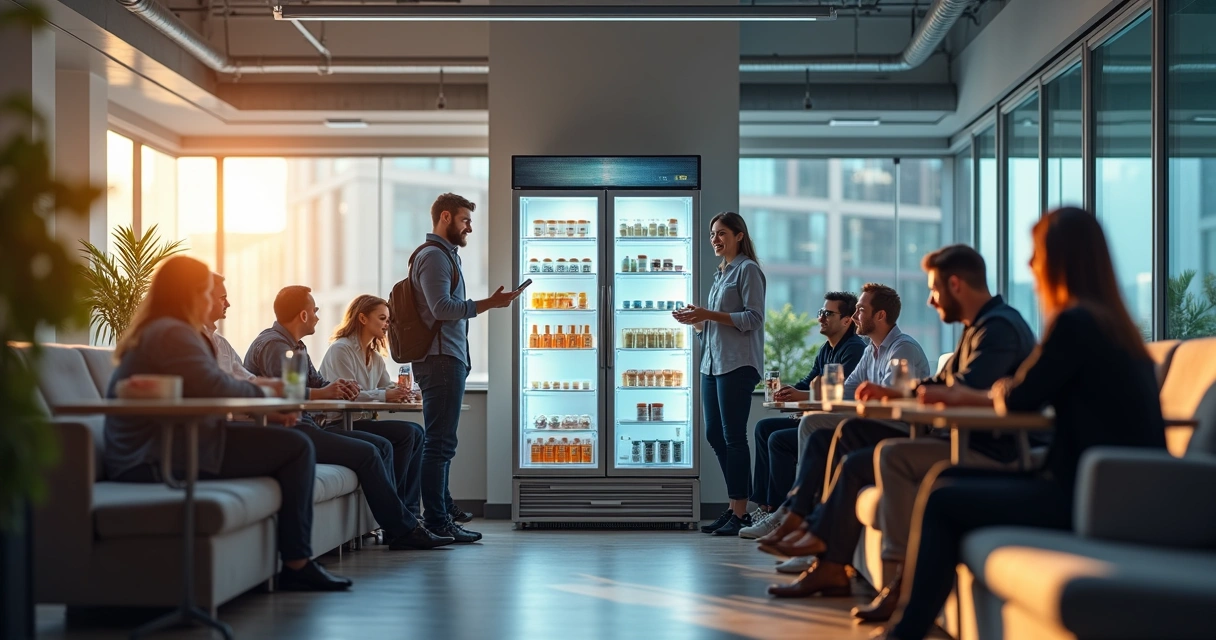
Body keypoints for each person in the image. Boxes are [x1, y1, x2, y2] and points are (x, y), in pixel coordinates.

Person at [877, 208, 1167, 640]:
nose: (1031, 265)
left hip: (1085, 495)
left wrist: (996, 393)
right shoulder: (1112, 326)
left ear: (1059, 261)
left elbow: (1018, 395)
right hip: (1108, 488)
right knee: (946, 478)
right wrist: (997, 392)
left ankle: (905, 631)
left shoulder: (1073, 322)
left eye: (1037, 254)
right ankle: (909, 623)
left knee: (944, 500)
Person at [764, 245, 1036, 604]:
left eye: (934, 290)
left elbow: (964, 390)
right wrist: (903, 393)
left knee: (871, 452)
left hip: (981, 447)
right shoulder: (980, 327)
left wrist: (911, 393)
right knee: (845, 438)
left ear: (955, 284)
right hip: (956, 437)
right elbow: (944, 384)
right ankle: (821, 549)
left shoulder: (997, 328)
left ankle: (821, 538)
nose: (930, 301)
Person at [103, 256, 351, 591]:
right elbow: (215, 386)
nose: (213, 301)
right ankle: (296, 564)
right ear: (190, 294)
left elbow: (205, 388)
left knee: (293, 444)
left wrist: (271, 399)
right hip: (155, 456)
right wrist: (273, 391)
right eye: (207, 293)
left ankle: (294, 561)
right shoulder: (173, 333)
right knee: (297, 448)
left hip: (170, 443)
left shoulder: (166, 329)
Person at [244, 286, 454, 550]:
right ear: (304, 315)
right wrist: (326, 391)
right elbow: (290, 394)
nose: (318, 316)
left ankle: (405, 522)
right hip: (292, 429)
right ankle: (403, 528)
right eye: (315, 310)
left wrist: (337, 386)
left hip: (303, 425)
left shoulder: (295, 345)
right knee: (372, 450)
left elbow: (317, 383)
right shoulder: (276, 345)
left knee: (399, 438)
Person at [755, 283, 929, 569]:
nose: (856, 316)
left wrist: (844, 396)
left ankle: (795, 514)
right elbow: (847, 391)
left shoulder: (902, 349)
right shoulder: (871, 351)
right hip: (874, 424)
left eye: (861, 310)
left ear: (881, 316)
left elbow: (887, 405)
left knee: (817, 425)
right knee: (814, 425)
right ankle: (795, 514)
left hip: (898, 430)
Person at [412, 192, 522, 542]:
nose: (469, 228)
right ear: (445, 217)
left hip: (447, 359)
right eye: (464, 220)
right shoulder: (434, 257)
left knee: (442, 443)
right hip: (441, 360)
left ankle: (442, 515)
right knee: (439, 444)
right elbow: (442, 308)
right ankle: (436, 521)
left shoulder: (444, 255)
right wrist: (490, 303)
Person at [741, 291, 865, 540]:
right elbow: (808, 383)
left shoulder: (854, 349)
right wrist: (788, 393)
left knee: (778, 439)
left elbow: (838, 395)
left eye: (828, 313)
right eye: (821, 312)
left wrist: (802, 398)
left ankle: (782, 511)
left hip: (839, 423)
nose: (820, 318)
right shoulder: (826, 349)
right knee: (763, 428)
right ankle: (765, 506)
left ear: (847, 320)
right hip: (819, 416)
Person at [674, 211, 766, 537]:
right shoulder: (720, 274)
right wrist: (696, 321)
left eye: (722, 233)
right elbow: (713, 329)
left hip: (738, 364)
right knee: (715, 434)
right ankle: (733, 508)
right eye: (713, 234)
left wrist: (708, 313)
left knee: (733, 436)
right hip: (712, 363)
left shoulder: (748, 270)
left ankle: (741, 512)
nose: (715, 239)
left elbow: (753, 318)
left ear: (739, 235)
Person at [319, 294, 428, 528]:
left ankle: (409, 512)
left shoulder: (375, 357)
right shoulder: (341, 350)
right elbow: (348, 394)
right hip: (339, 423)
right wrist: (385, 394)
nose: (387, 324)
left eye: (388, 320)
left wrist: (406, 391)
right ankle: (398, 511)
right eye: (382, 318)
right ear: (362, 318)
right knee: (406, 434)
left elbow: (384, 386)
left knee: (416, 432)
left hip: (361, 421)